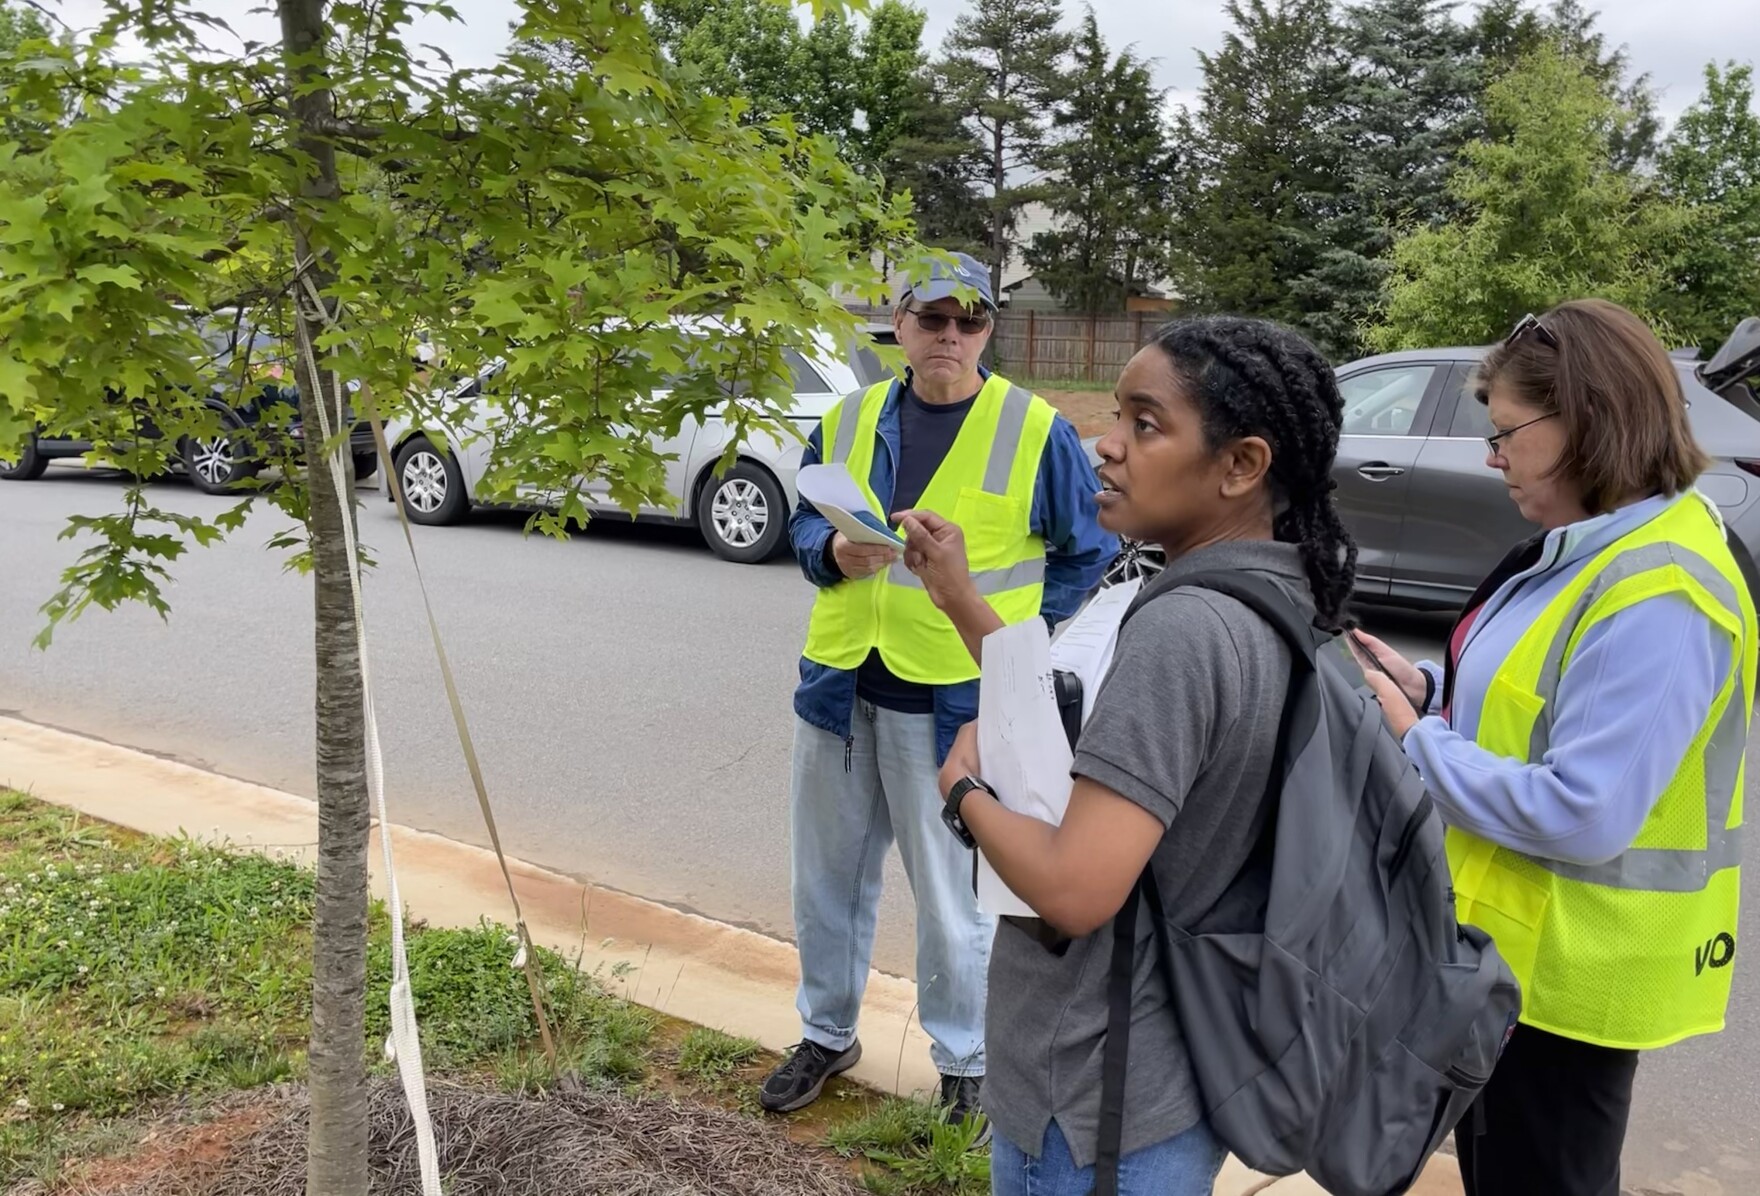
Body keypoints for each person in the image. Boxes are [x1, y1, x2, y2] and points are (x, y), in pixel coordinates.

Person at [901, 316, 1357, 1195]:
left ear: (1241, 465)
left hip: (1093, 1098)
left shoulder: (1183, 628)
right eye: (1115, 415)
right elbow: (1084, 738)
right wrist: (961, 598)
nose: (1104, 446)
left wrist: (962, 791)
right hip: (1177, 1066)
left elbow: (1077, 889)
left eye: (1145, 425)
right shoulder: (1274, 587)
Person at [1350, 299, 1755, 1196]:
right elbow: (1540, 710)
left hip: (1574, 991)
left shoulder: (1664, 593)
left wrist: (1415, 740)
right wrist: (1431, 693)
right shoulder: (1591, 550)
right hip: (1514, 966)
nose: (1492, 459)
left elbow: (1583, 810)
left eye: (1505, 435)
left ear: (1588, 421)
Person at [760, 253, 1116, 1123]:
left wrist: (1015, 646)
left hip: (953, 706)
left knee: (955, 903)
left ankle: (965, 1059)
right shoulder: (848, 418)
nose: (950, 335)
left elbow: (1089, 552)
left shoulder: (1035, 430)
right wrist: (830, 552)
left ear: (987, 329)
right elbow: (808, 518)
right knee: (827, 881)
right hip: (840, 689)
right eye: (933, 318)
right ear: (901, 322)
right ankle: (827, 1032)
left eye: (969, 320)